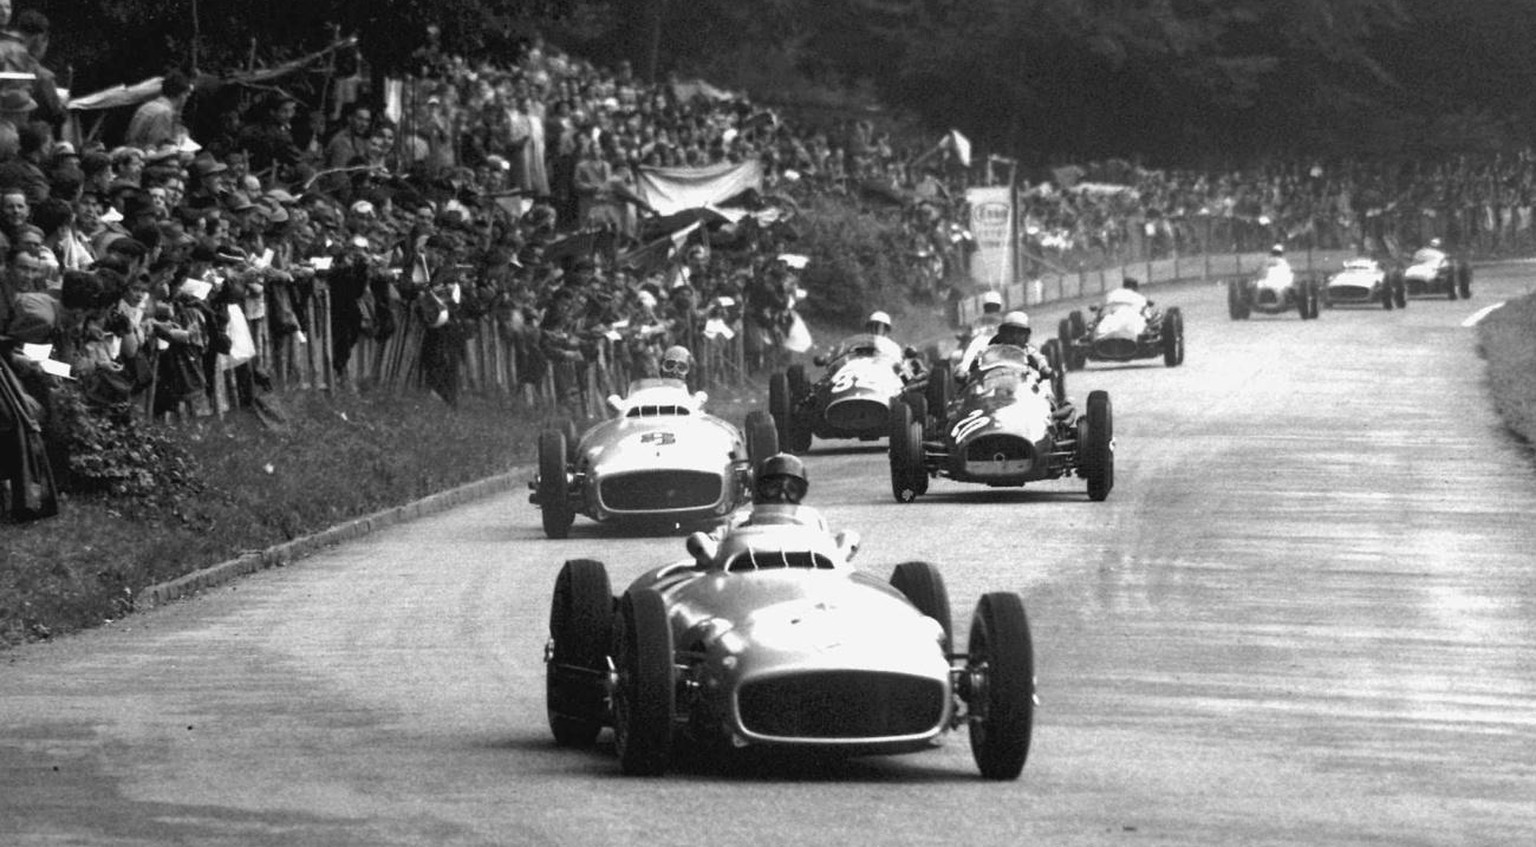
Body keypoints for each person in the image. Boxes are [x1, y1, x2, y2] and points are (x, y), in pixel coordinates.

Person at [124, 70, 192, 150]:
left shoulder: (146, 106)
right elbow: (158, 146)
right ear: (182, 95)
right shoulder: (164, 113)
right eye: (186, 96)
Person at [986, 310, 1054, 376]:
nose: (1014, 336)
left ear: (1026, 335)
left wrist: (1043, 368)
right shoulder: (995, 350)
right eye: (1010, 332)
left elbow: (1039, 360)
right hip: (997, 383)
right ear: (1003, 334)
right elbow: (981, 360)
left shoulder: (1029, 351)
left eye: (1020, 333)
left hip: (1022, 383)